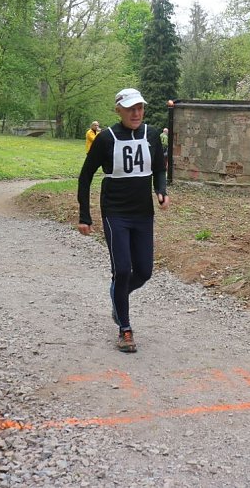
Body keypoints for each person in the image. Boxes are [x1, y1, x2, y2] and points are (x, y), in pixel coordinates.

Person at [77, 88, 170, 353]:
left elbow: (159, 169)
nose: (136, 113)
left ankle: (118, 294)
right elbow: (85, 177)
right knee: (122, 269)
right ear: (118, 110)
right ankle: (125, 329)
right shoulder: (105, 139)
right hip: (115, 213)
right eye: (130, 109)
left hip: (142, 214)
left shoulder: (151, 135)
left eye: (140, 107)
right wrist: (85, 214)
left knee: (143, 272)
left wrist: (161, 190)